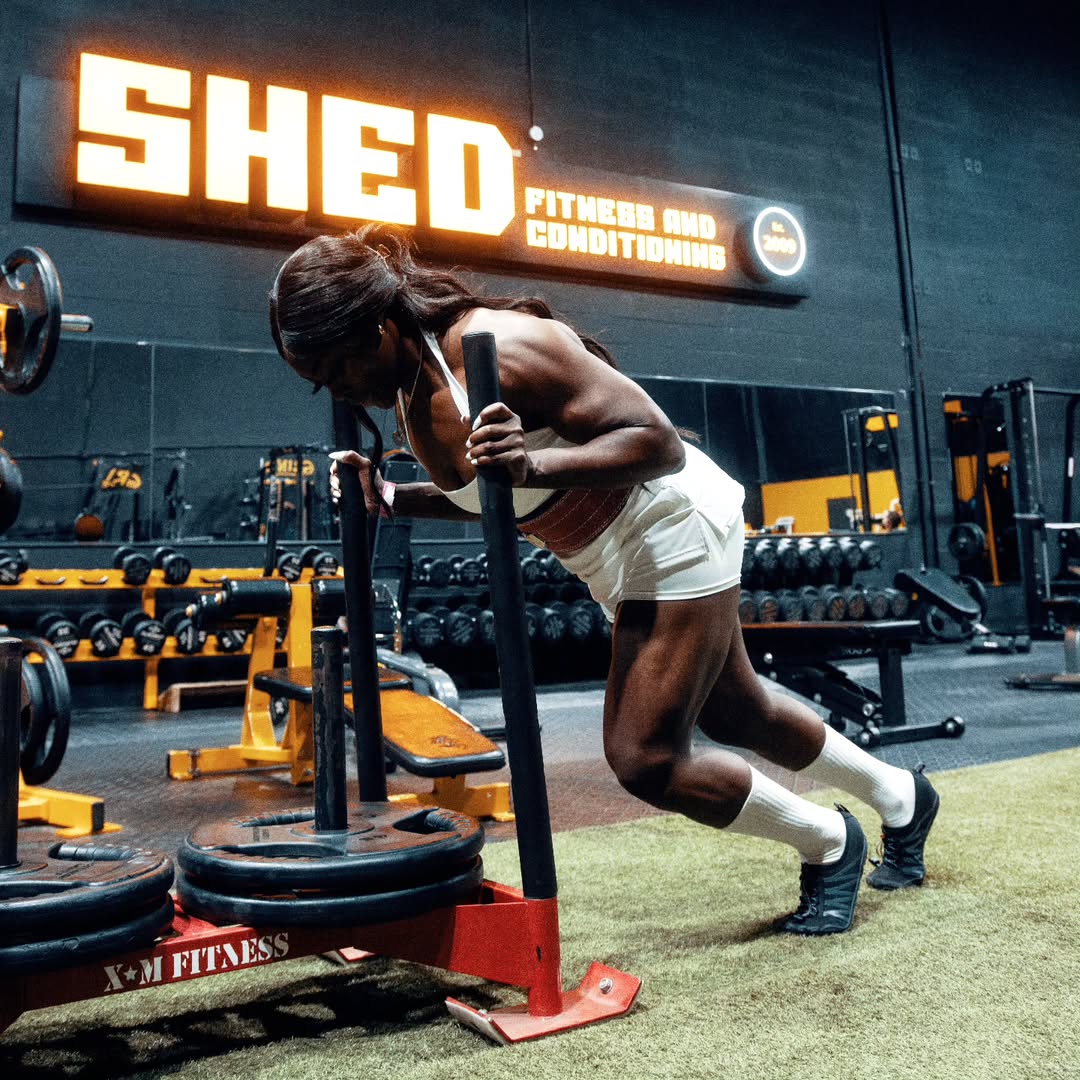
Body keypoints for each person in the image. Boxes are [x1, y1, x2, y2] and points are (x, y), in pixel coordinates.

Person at [269, 224, 940, 935]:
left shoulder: (502, 347)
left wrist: (532, 463)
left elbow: (657, 443)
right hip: (608, 553)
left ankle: (829, 842)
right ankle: (902, 797)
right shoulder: (408, 386)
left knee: (644, 757)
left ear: (376, 330)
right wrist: (392, 496)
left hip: (667, 520)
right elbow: (490, 492)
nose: (337, 391)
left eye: (336, 370)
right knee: (738, 713)